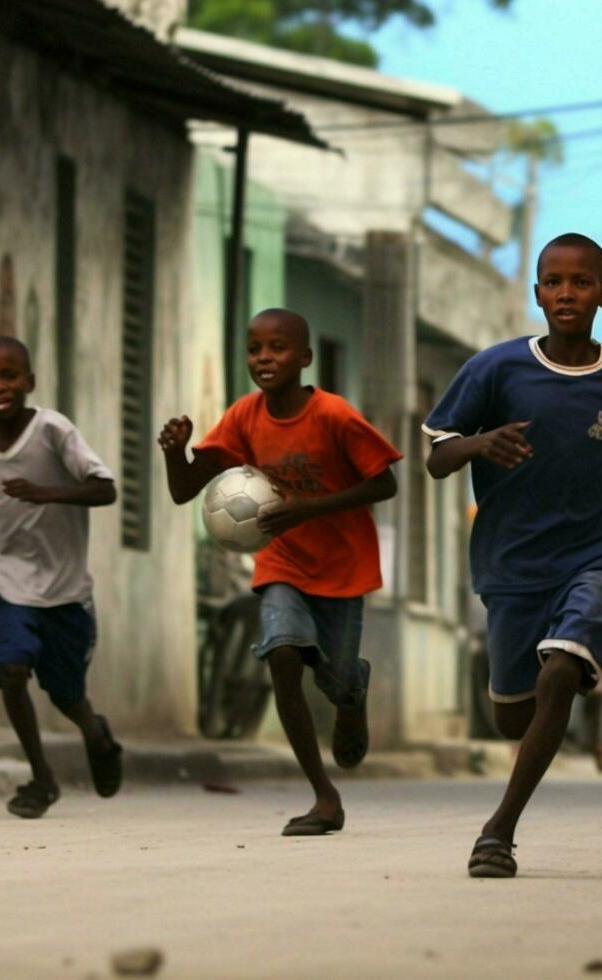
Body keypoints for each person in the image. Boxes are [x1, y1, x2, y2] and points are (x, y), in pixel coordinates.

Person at [423, 233, 602, 878]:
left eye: (580, 282)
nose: (566, 293)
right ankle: (531, 722)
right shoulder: (496, 368)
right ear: (537, 291)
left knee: (562, 672)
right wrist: (480, 444)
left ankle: (497, 832)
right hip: (513, 559)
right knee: (513, 715)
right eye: (553, 281)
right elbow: (436, 455)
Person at [159, 308, 401, 837]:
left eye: (277, 348)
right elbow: (184, 490)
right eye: (254, 349)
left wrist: (310, 509)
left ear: (305, 358)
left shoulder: (335, 416)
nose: (264, 358)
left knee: (334, 681)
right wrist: (176, 453)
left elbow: (384, 485)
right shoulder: (245, 416)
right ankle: (323, 796)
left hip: (342, 567)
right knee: (283, 655)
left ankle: (350, 692)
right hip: (282, 562)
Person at [0, 337, 123, 819]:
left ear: (29, 382)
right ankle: (41, 778)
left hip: (65, 587)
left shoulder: (53, 431)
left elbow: (105, 489)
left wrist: (44, 492)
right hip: (6, 576)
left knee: (66, 694)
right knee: (12, 670)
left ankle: (96, 735)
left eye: (9, 376)